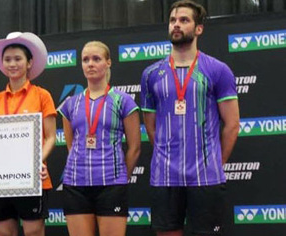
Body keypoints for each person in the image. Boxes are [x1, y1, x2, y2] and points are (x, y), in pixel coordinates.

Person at [140, 1, 240, 235]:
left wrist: (214, 162)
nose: (176, 25)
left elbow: (232, 124)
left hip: (206, 178)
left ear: (199, 29)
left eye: (184, 20)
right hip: (164, 177)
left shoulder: (218, 70)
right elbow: (151, 127)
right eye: (173, 20)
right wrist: (167, 156)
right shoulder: (151, 74)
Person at [58, 41, 141, 236]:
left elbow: (135, 147)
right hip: (76, 185)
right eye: (86, 60)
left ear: (108, 62)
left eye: (96, 59)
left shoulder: (123, 100)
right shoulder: (70, 104)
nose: (90, 64)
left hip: (111, 185)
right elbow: (71, 145)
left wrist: (120, 177)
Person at [0, 32, 57, 236]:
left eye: (18, 59)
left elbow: (51, 137)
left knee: (34, 232)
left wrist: (35, 162)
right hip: (0, 178)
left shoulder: (42, 95)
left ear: (29, 63)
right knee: (3, 232)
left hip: (32, 177)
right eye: (7, 59)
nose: (12, 64)